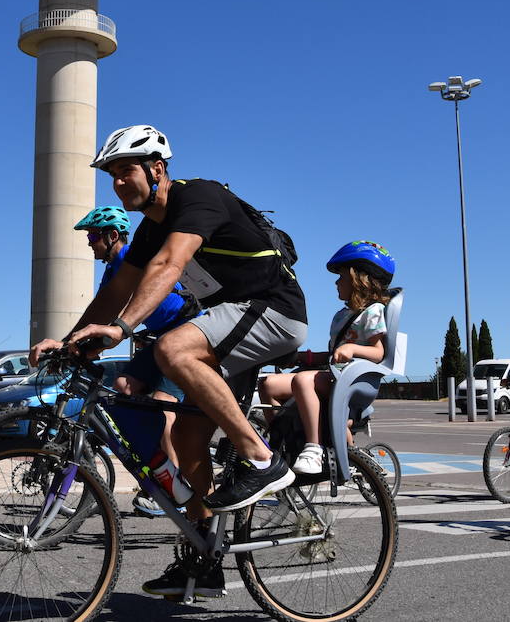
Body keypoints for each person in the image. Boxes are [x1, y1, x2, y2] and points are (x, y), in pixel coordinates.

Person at [31, 125, 307, 600]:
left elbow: (168, 268)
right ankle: (205, 559)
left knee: (172, 349)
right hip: (233, 320)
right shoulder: (149, 228)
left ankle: (263, 460)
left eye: (125, 172)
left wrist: (120, 330)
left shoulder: (197, 197)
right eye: (112, 176)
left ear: (157, 168)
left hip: (273, 310)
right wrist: (72, 340)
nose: (118, 183)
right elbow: (115, 291)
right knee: (186, 434)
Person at [74, 205, 196, 516]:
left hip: (186, 335)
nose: (89, 242)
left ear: (112, 236)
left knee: (162, 402)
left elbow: (124, 315)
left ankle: (174, 483)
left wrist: (103, 339)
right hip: (160, 337)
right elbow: (104, 312)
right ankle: (155, 462)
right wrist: (71, 345)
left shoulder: (134, 258)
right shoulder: (112, 269)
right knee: (123, 385)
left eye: (93, 236)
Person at [260, 241, 392, 476]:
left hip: (353, 381)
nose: (335, 282)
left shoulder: (372, 313)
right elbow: (333, 355)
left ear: (357, 279)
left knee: (302, 381)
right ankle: (282, 444)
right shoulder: (341, 315)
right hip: (332, 376)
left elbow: (378, 352)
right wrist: (303, 357)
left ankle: (314, 447)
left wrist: (352, 349)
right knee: (267, 384)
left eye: (340, 277)